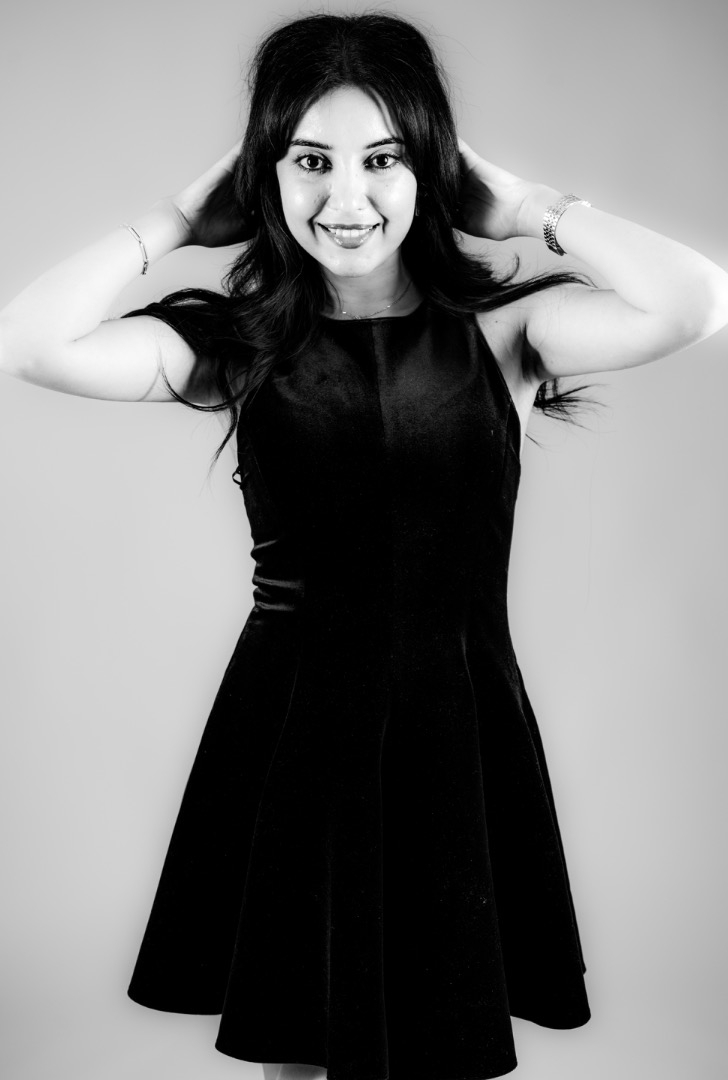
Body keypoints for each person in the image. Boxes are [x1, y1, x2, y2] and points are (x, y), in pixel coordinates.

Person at [1, 11, 727, 1080]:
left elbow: (695, 300)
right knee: (297, 1040)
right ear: (266, 175)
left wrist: (530, 206)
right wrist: (175, 221)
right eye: (311, 162)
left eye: (383, 159)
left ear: (430, 167)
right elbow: (28, 342)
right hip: (292, 725)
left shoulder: (505, 336)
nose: (348, 198)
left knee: (443, 1035)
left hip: (458, 721)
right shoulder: (238, 350)